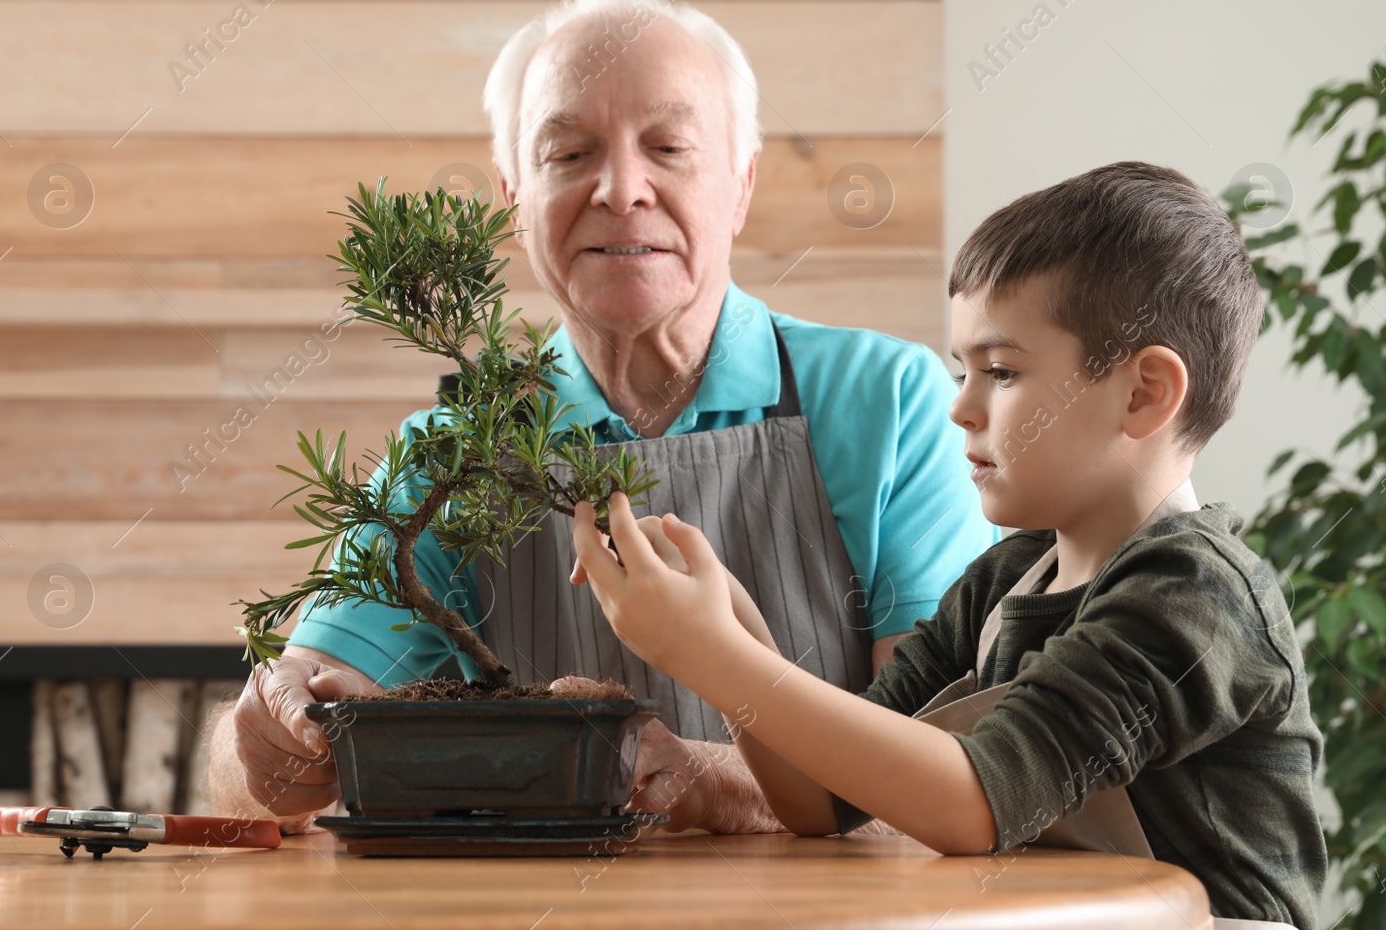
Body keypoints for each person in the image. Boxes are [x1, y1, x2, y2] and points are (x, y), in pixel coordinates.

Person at [204, 0, 996, 833]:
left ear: (741, 183)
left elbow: (951, 766)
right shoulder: (452, 449)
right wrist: (266, 745)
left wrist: (696, 776)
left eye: (668, 146)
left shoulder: (891, 403)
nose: (621, 189)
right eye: (568, 154)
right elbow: (274, 748)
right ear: (513, 197)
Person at [569, 162, 1327, 929]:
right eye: (964, 369)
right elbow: (819, 798)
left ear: (1144, 393)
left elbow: (975, 802)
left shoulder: (1194, 593)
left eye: (1000, 370)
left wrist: (708, 654)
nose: (961, 405)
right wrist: (728, 614)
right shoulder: (1006, 578)